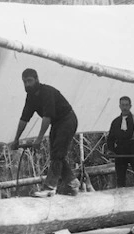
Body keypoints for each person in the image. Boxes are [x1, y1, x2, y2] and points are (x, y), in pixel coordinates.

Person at [8, 68, 80, 198]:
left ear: (37, 79)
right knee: (56, 155)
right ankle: (72, 182)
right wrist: (16, 139)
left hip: (67, 119)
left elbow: (47, 117)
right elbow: (24, 119)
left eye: (29, 81)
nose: (27, 85)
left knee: (58, 153)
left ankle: (50, 188)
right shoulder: (30, 97)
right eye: (24, 82)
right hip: (57, 123)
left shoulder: (46, 92)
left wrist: (39, 138)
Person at [107, 96, 134, 187]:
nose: (125, 107)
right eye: (123, 105)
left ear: (130, 106)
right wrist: (110, 150)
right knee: (120, 180)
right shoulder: (115, 122)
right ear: (119, 106)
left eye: (127, 105)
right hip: (120, 153)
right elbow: (110, 138)